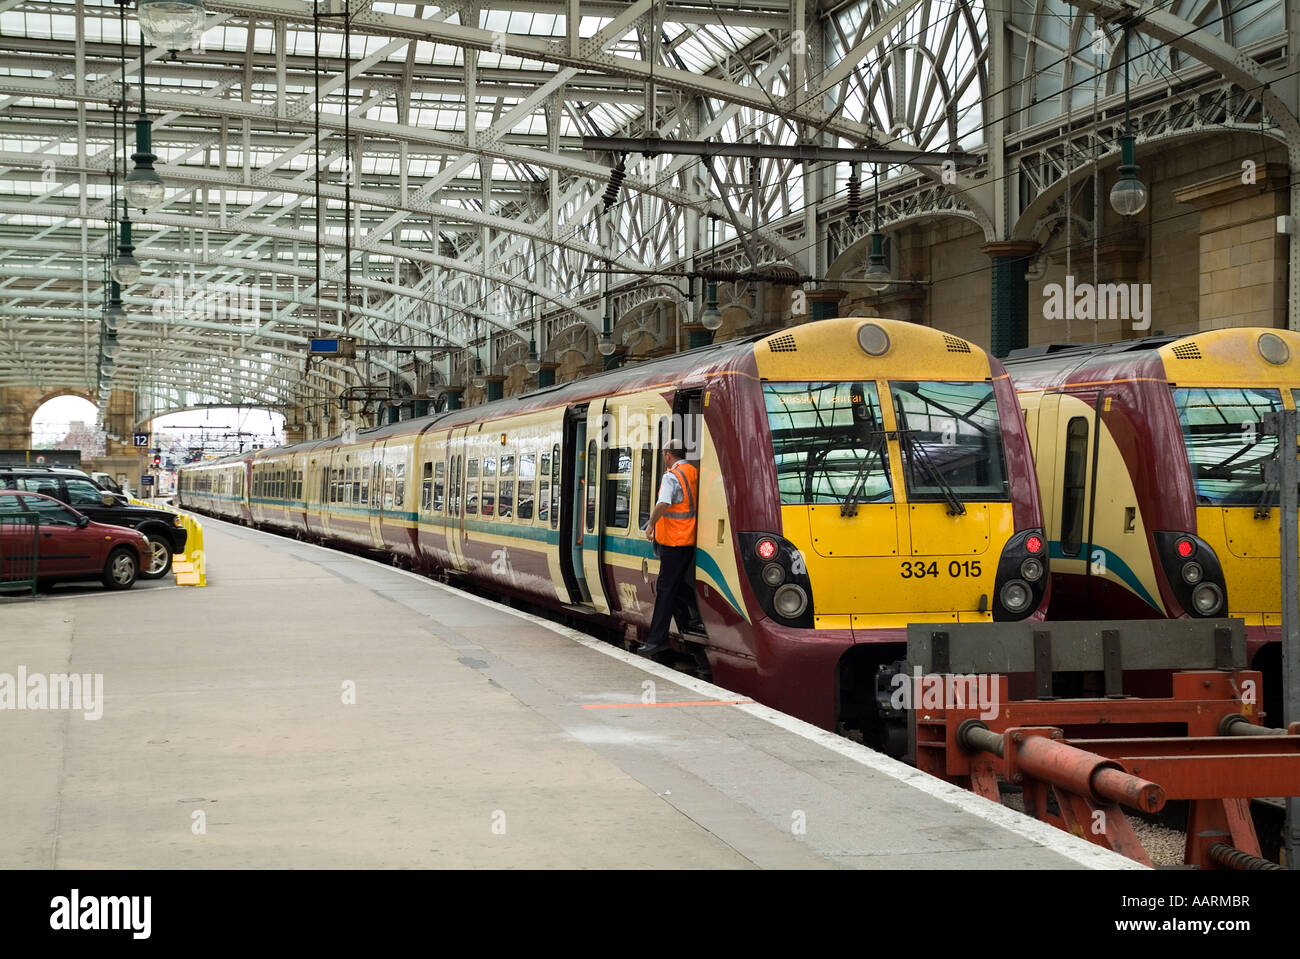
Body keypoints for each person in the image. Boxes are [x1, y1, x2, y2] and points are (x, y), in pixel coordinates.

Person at [639, 439, 701, 657]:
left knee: (665, 590)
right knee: (676, 584)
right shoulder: (692, 471)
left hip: (674, 541)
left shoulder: (671, 476)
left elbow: (663, 503)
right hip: (688, 540)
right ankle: (698, 613)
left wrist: (651, 525)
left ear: (667, 455)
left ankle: (657, 640)